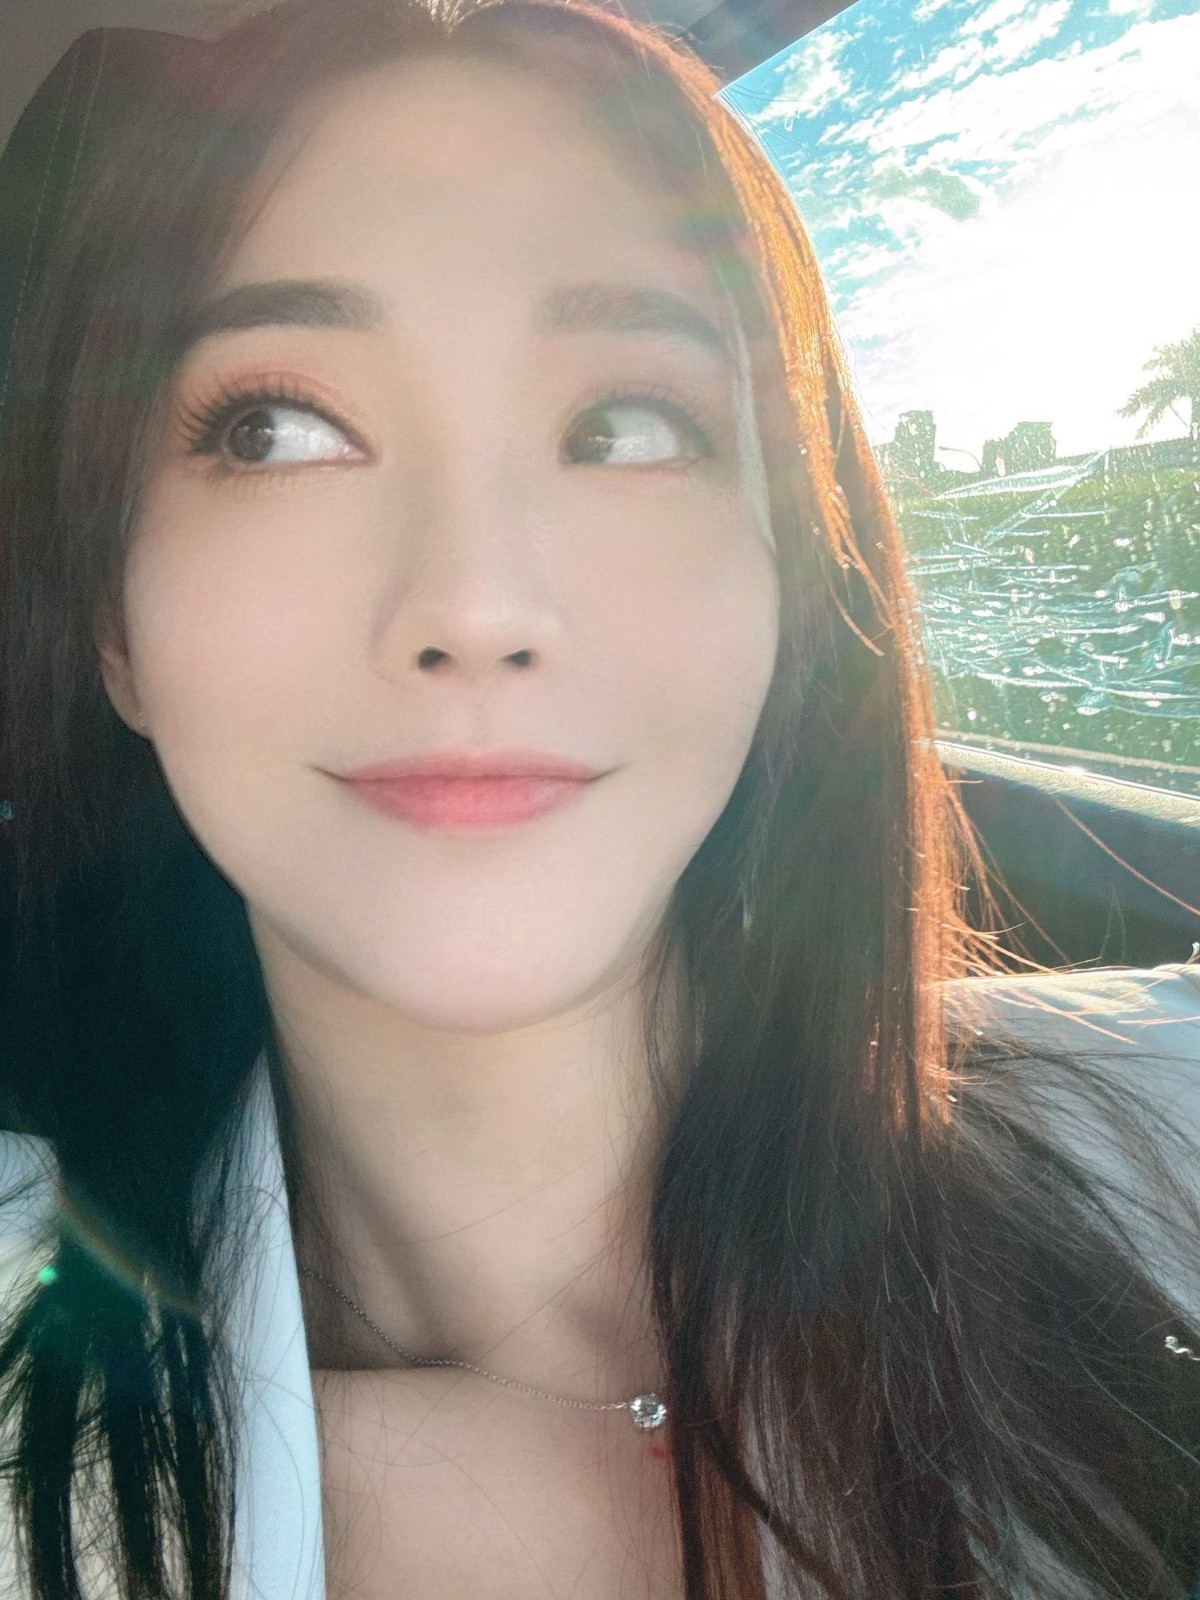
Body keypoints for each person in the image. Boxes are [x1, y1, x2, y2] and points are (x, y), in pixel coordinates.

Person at [0, 2, 1198, 1596]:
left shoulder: (1159, 1141)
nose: (477, 604)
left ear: (796, 579)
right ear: (112, 627)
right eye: (276, 430)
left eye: (626, 426)